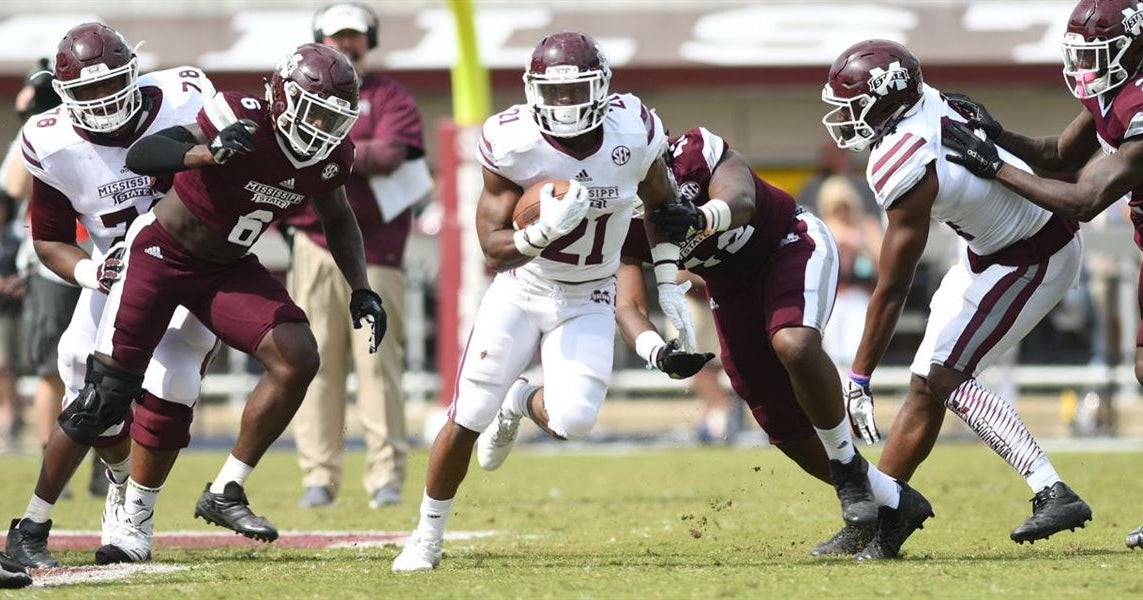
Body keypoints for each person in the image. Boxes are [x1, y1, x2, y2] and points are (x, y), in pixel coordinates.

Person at [392, 31, 698, 572]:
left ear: (601, 88)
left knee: (574, 420)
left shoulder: (634, 129)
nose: (564, 105)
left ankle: (520, 401)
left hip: (592, 292)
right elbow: (491, 247)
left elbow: (664, 207)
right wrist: (539, 234)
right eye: (553, 94)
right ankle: (426, 536)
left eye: (576, 91)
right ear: (533, 91)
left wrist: (669, 282)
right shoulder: (513, 141)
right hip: (524, 286)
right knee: (468, 412)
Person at [105, 41, 384, 549]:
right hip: (162, 255)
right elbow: (142, 154)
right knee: (103, 397)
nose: (320, 129)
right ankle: (42, 519)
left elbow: (338, 217)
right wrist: (207, 152)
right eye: (313, 113)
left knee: (297, 356)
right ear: (282, 96)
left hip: (225, 268)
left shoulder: (332, 158)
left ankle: (226, 488)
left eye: (331, 119)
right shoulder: (240, 114)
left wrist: (361, 287)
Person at [817, 38, 1093, 552]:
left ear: (883, 101)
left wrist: (858, 376)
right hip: (991, 249)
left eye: (853, 105)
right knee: (927, 380)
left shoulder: (902, 157)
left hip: (1036, 252)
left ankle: (1051, 488)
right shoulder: (922, 101)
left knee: (945, 375)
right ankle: (883, 516)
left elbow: (894, 283)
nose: (843, 118)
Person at [627, 126, 927, 560]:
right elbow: (627, 305)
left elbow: (742, 200)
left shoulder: (695, 152)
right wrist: (655, 349)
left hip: (788, 243)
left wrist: (700, 216)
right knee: (772, 413)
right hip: (729, 287)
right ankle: (892, 506)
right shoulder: (616, 212)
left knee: (794, 343)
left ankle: (848, 471)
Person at [6, 23, 222, 568]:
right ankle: (122, 482)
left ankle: (137, 516)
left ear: (135, 72)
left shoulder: (183, 97)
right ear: (63, 95)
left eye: (111, 85)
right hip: (119, 272)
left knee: (174, 377)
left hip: (191, 267)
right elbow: (50, 238)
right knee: (76, 367)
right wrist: (91, 270)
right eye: (87, 92)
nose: (103, 101)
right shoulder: (52, 141)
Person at [935, 0, 1143, 549]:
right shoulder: (1114, 92)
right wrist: (995, 133)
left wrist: (993, 166)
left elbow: (1086, 198)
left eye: (1096, 52)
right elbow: (1056, 154)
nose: (1086, 66)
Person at [289, 1, 426, 510]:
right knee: (313, 363)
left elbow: (393, 152)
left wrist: (328, 149)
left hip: (378, 249)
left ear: (370, 41)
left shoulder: (389, 94)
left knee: (378, 368)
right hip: (313, 243)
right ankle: (318, 476)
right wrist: (355, 154)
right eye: (336, 36)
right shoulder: (299, 87)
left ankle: (386, 475)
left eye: (355, 36)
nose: (346, 44)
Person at [816, 175, 881, 372]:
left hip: (860, 293)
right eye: (835, 208)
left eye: (845, 207)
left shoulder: (865, 226)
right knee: (833, 353)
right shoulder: (821, 227)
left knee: (856, 348)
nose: (841, 213)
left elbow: (883, 261)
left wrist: (858, 241)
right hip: (832, 297)